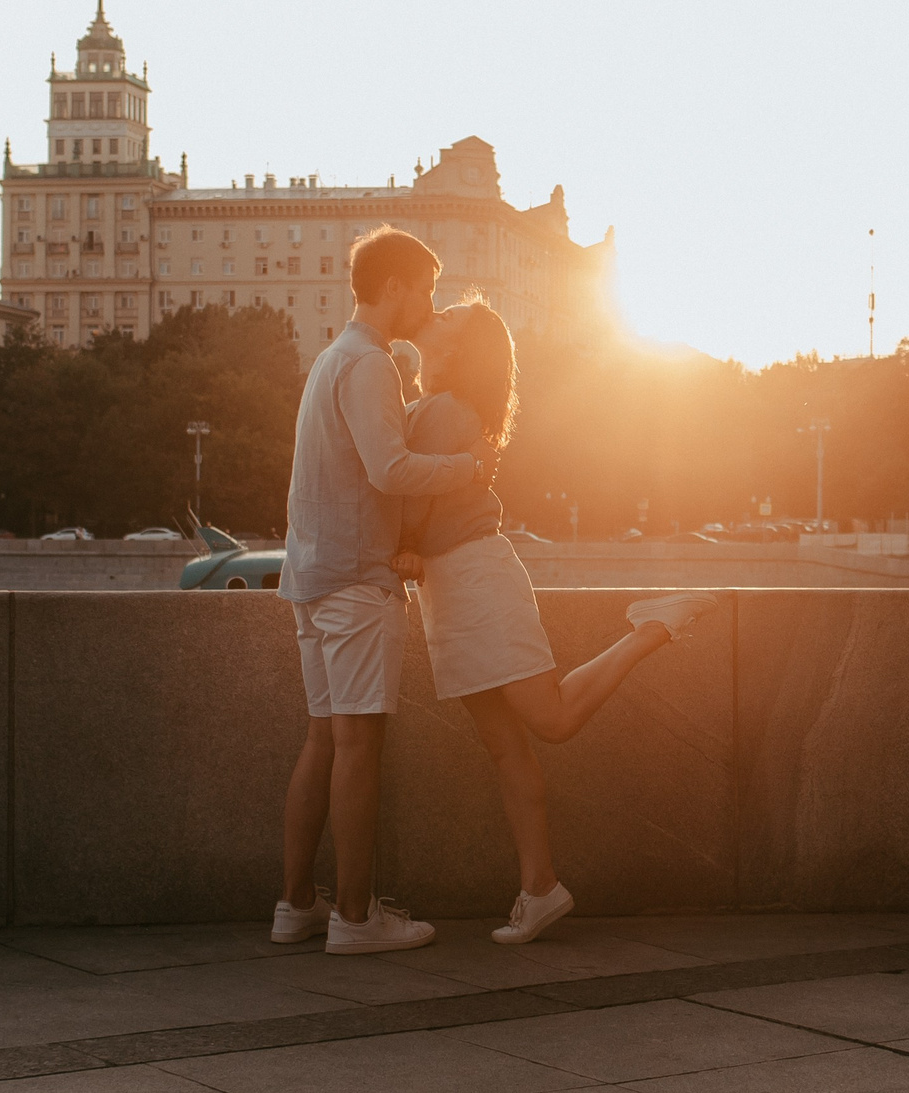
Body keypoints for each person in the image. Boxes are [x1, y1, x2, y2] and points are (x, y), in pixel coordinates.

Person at [395, 294, 712, 944]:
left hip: (474, 578)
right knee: (505, 744)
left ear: (461, 350)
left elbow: (408, 501)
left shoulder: (443, 411)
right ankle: (539, 887)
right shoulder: (444, 410)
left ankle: (654, 626)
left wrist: (393, 545)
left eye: (449, 318)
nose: (437, 316)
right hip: (455, 586)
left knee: (552, 717)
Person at [270, 226, 494, 955]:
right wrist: (466, 466)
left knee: (323, 741)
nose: (428, 302)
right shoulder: (370, 365)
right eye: (425, 288)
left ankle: (297, 903)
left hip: (311, 575)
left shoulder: (330, 360)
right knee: (359, 746)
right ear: (394, 286)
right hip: (356, 582)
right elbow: (389, 469)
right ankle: (357, 918)